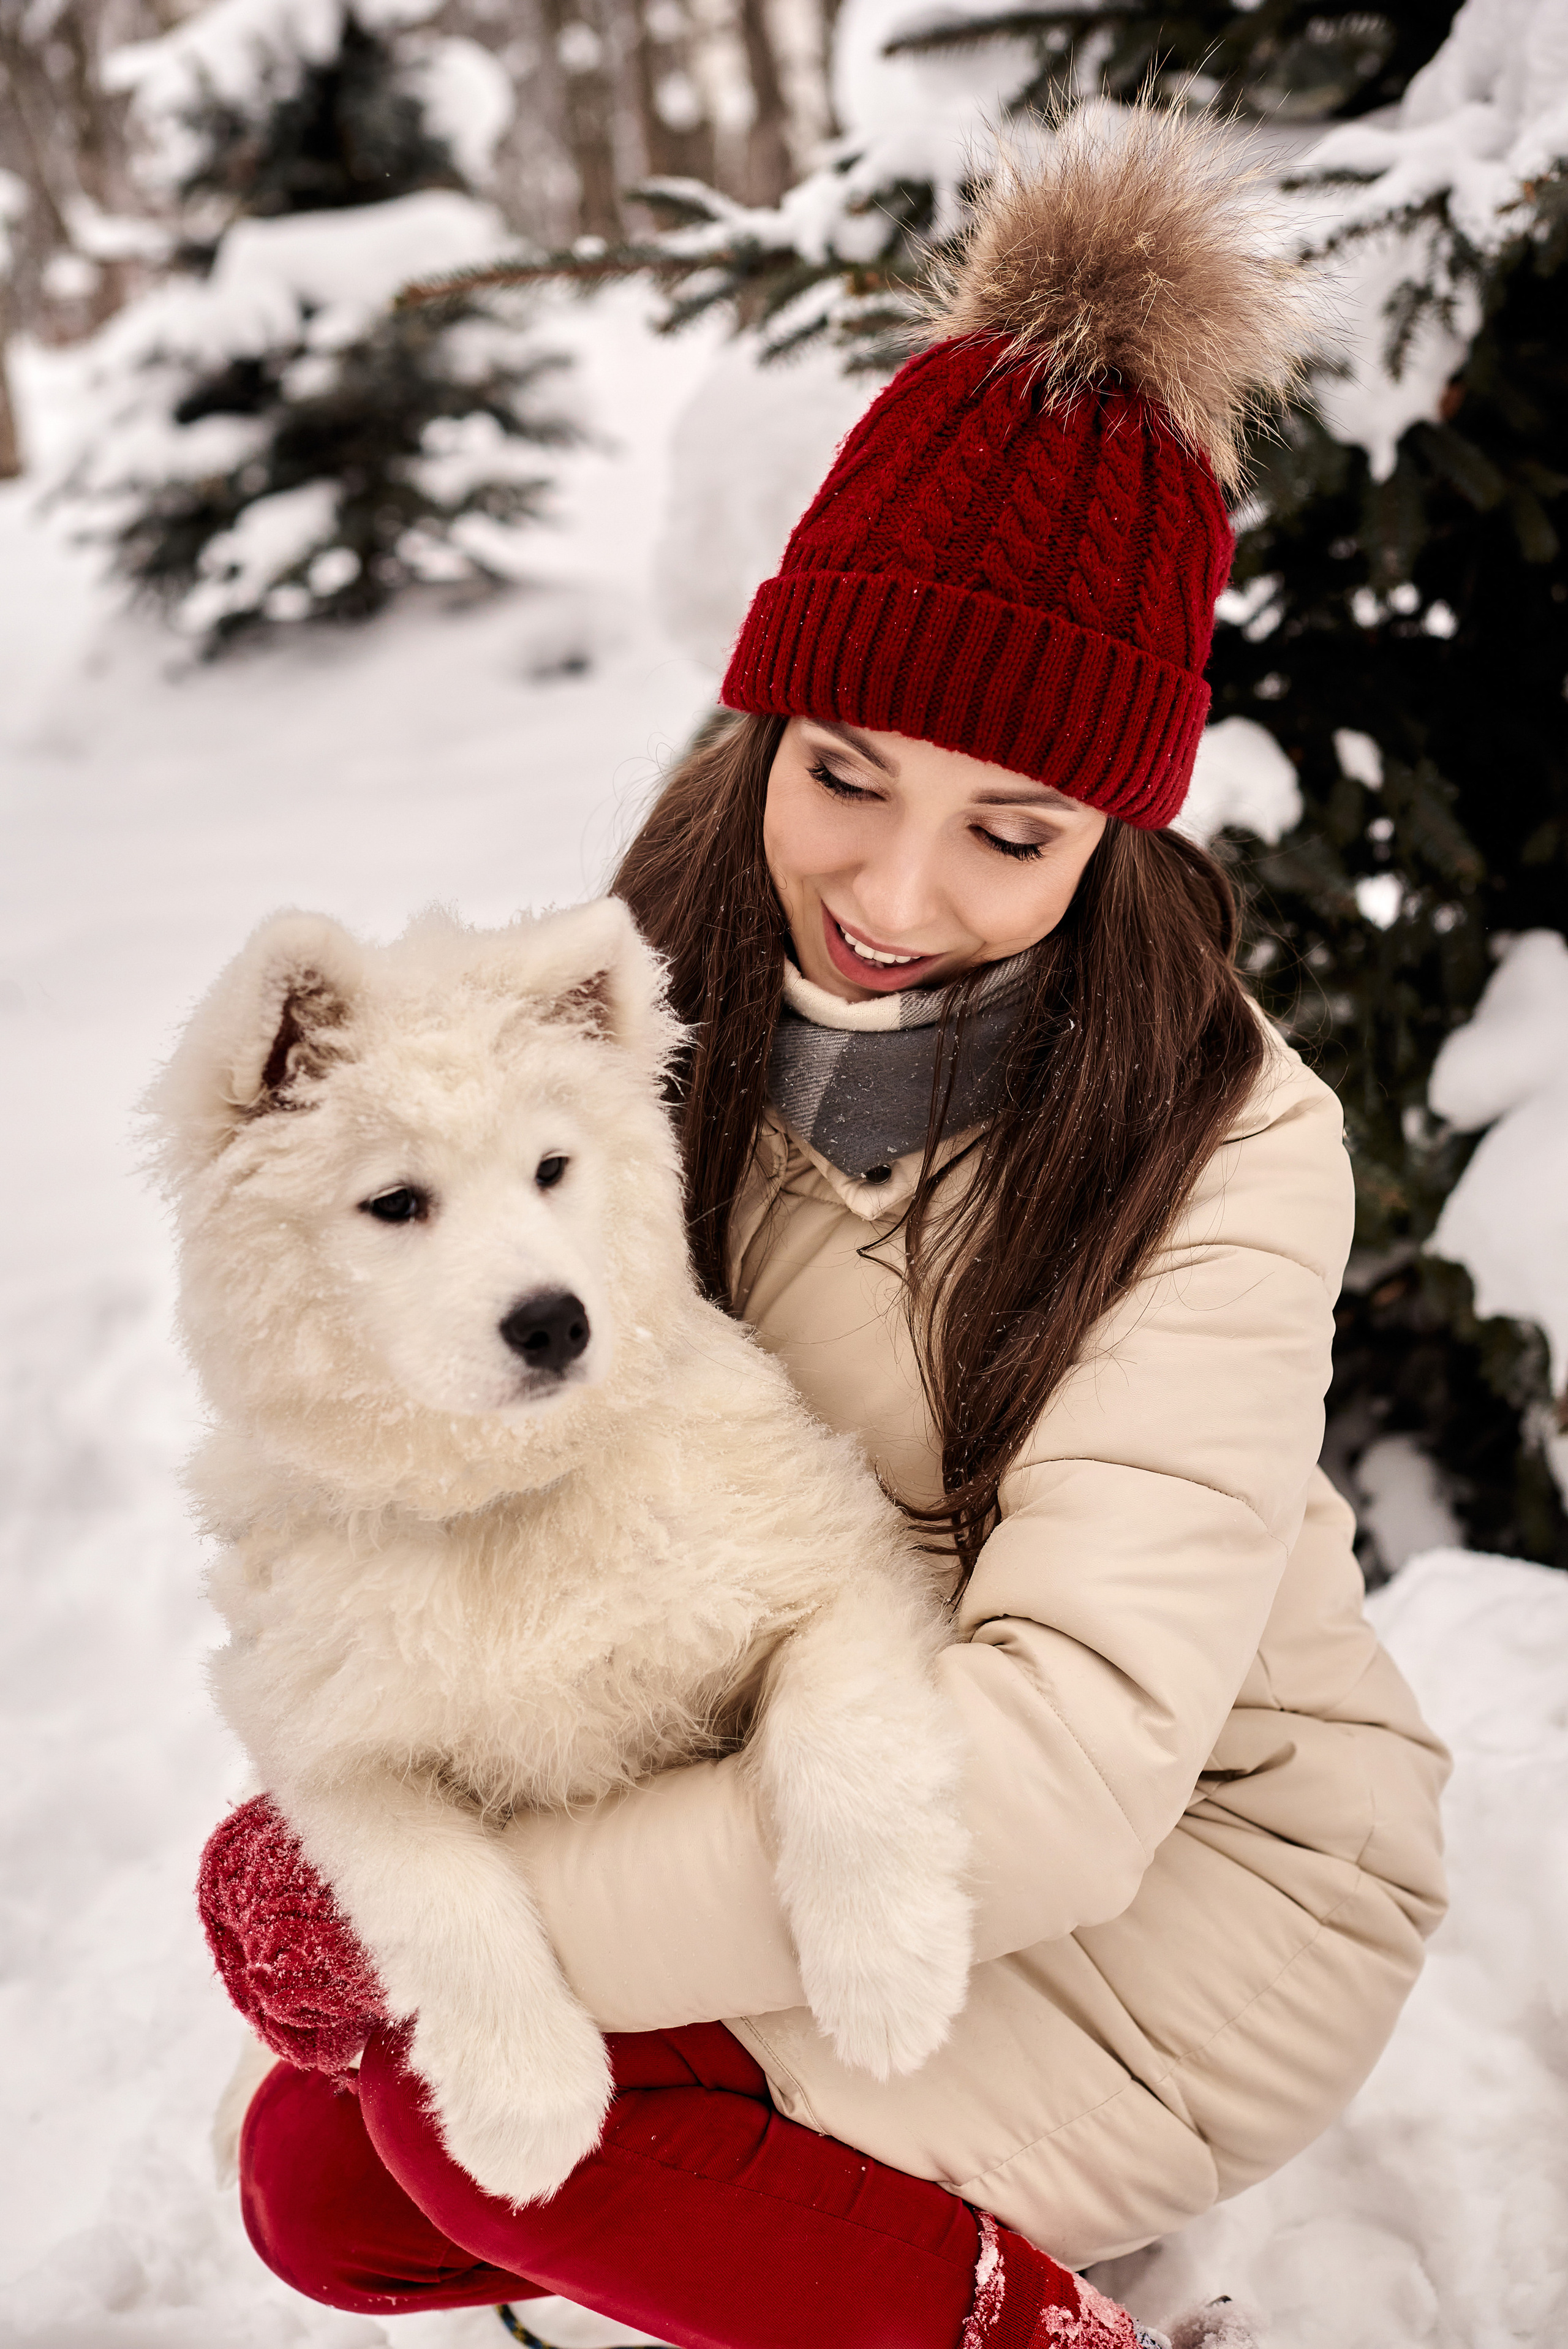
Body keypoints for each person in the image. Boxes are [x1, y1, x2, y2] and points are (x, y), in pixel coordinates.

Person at [203, 107, 1449, 2349]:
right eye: (844, 772)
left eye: (1011, 830)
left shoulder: (1222, 1142)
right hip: (797, 1768)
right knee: (327, 2178)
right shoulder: (650, 988)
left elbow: (1067, 1770)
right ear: (769, 723)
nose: (891, 892)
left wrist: (482, 1919)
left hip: (1184, 1870)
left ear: (1119, 833)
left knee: (506, 2131)